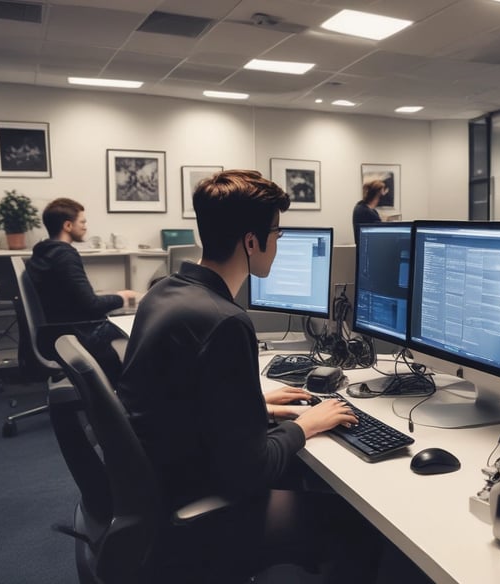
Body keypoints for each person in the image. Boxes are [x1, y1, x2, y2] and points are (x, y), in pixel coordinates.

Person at [117, 170, 389, 583]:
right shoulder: (225, 321)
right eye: (276, 233)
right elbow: (250, 470)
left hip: (160, 482)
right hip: (193, 507)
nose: (277, 243)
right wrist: (307, 424)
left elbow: (178, 398)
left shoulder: (164, 292)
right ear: (250, 242)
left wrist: (254, 405)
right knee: (358, 524)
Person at [27, 197, 137, 382]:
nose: (86, 227)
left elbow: (72, 296)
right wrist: (123, 297)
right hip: (74, 333)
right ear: (68, 226)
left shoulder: (44, 252)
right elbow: (91, 305)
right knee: (140, 326)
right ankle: (124, 387)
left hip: (56, 331)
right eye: (83, 222)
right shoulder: (65, 255)